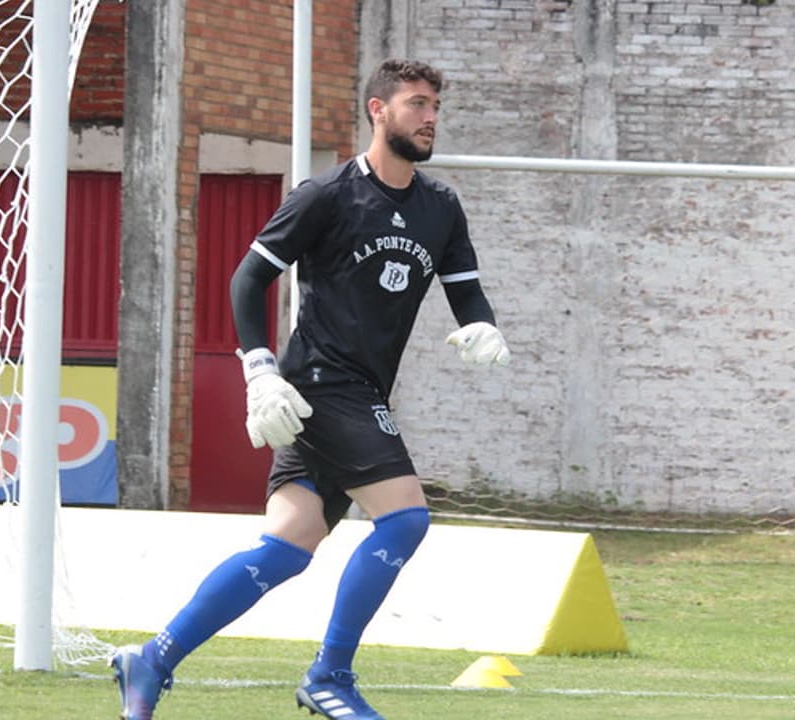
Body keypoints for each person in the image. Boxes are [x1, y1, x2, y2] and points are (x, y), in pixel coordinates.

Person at [110, 58, 510, 720]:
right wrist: (258, 367)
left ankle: (151, 659)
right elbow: (246, 281)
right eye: (416, 103)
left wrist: (485, 328)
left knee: (285, 549)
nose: (431, 115)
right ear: (378, 110)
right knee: (406, 517)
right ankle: (331, 676)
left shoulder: (440, 207)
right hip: (321, 383)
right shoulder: (326, 195)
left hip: (356, 389)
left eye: (435, 104)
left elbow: (465, 292)